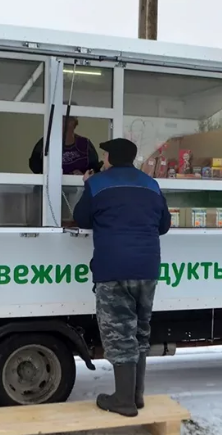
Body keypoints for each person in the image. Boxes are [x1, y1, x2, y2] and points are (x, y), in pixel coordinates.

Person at [72, 138, 171, 417]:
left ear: (110, 158)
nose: (102, 159)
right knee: (140, 332)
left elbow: (82, 219)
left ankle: (123, 401)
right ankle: (136, 396)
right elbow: (164, 225)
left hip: (113, 269)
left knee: (119, 334)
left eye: (104, 155)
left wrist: (86, 187)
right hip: (147, 269)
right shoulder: (151, 184)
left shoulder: (98, 183)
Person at [28, 113, 101, 175]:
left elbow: (95, 169)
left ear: (73, 123)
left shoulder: (85, 144)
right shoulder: (46, 142)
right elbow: (34, 166)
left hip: (79, 189)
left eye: (66, 120)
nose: (63, 124)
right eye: (61, 120)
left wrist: (82, 175)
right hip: (52, 187)